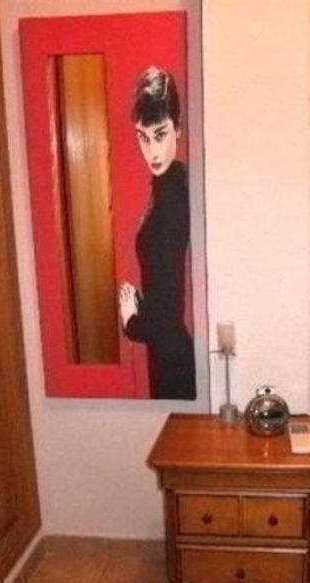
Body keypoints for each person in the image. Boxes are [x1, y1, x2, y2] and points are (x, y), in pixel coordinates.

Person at [118, 66, 196, 400]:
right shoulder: (166, 189)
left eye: (160, 134)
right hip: (167, 353)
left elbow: (169, 317)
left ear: (178, 127)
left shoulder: (175, 197)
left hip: (172, 355)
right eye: (143, 137)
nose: (152, 151)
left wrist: (131, 322)